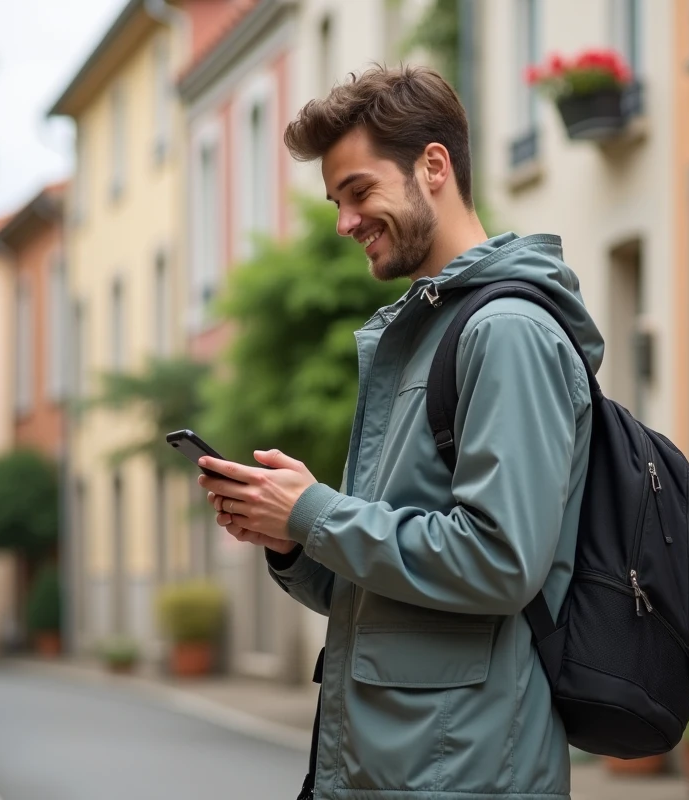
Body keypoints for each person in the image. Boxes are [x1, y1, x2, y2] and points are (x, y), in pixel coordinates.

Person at [198, 64, 604, 800]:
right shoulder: (424, 338)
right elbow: (389, 590)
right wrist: (293, 536)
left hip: (462, 772)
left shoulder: (505, 332)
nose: (344, 221)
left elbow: (498, 561)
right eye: (336, 200)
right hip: (393, 767)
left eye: (358, 192)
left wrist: (317, 511)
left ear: (434, 166)